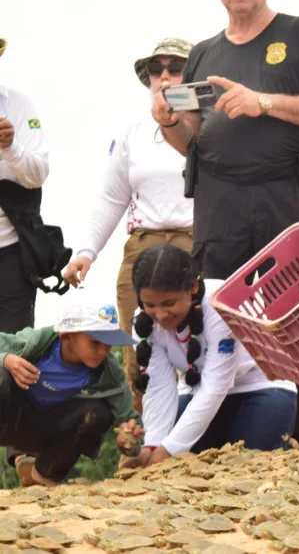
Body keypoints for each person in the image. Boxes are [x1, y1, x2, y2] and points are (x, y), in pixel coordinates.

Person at [151, 0, 299, 447]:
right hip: (219, 202)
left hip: (286, 193)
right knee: (221, 312)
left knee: (298, 313)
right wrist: (168, 119)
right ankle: (227, 436)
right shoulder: (204, 53)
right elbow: (191, 141)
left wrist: (265, 102)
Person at [63, 38, 194, 411]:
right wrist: (86, 252)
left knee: (197, 333)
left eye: (175, 67)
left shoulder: (210, 124)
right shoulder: (132, 133)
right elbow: (110, 198)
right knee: (137, 343)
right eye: (157, 69)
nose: (165, 76)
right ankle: (141, 432)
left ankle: (200, 429)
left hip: (195, 241)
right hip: (143, 244)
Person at [122, 245, 297, 468]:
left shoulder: (222, 304)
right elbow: (159, 388)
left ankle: (283, 444)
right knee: (188, 463)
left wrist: (168, 451)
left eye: (169, 303)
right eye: (150, 305)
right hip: (197, 390)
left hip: (260, 387)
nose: (161, 315)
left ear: (193, 287)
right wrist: (153, 446)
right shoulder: (143, 323)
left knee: (245, 464)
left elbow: (216, 387)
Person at [0, 288, 142, 487]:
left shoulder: (110, 374)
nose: (103, 351)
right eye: (95, 343)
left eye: (109, 344)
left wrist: (130, 440)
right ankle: (21, 459)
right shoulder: (33, 343)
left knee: (98, 413)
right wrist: (6, 359)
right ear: (67, 337)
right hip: (9, 422)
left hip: (48, 432)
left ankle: (44, 476)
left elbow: (130, 420)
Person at [0, 37, 51, 332]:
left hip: (11, 252)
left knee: (13, 357)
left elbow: (38, 174)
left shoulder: (19, 105)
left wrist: (10, 148)